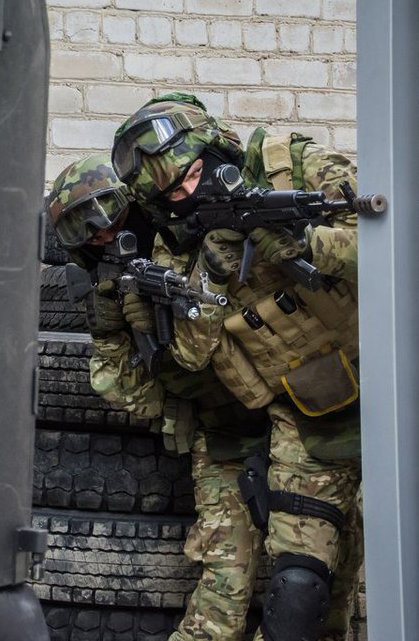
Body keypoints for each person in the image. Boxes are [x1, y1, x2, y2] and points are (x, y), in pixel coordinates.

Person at [110, 93, 363, 641]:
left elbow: (395, 240)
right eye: (173, 193)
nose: (188, 193)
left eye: (193, 174)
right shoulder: (179, 247)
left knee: (363, 576)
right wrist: (210, 277)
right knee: (300, 588)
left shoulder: (294, 167)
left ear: (216, 148)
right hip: (306, 417)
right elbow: (190, 354)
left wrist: (307, 245)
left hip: (390, 385)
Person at [45, 153, 269, 640]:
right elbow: (127, 390)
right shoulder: (106, 281)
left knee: (305, 580)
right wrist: (112, 332)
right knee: (225, 576)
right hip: (219, 430)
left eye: (108, 213)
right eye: (85, 229)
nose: (103, 232)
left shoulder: (188, 230)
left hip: (290, 413)